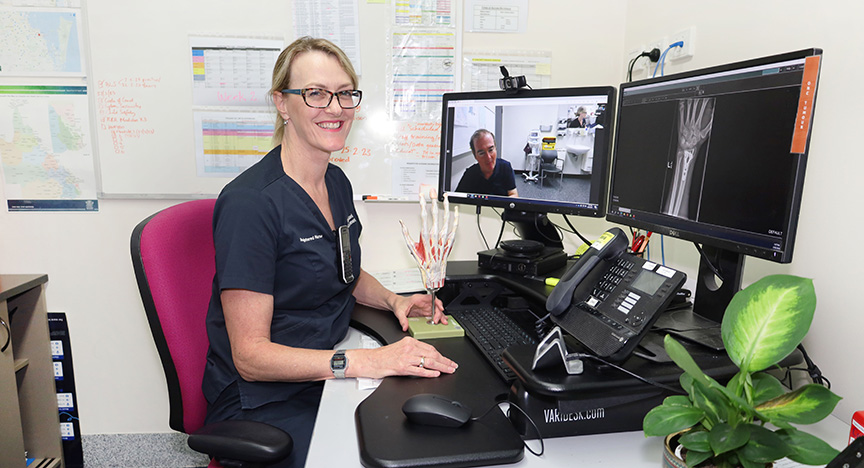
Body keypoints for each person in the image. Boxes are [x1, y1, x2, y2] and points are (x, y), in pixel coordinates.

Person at [202, 37, 458, 468]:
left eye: (344, 93)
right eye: (316, 93)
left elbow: (344, 270)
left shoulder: (335, 182)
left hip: (325, 367)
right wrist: (368, 361)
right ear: (283, 104)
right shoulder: (251, 203)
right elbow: (250, 357)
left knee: (417, 440)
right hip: (264, 398)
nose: (335, 108)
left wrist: (397, 301)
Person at [454, 129, 518, 197]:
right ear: (475, 155)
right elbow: (457, 199)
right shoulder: (470, 174)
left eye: (491, 150)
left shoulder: (505, 167)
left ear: (495, 149)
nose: (488, 157)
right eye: (482, 153)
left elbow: (513, 194)